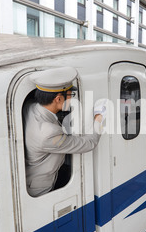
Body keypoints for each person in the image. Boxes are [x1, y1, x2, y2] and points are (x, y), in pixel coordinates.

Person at [23, 67, 106, 197]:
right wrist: (99, 118)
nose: (72, 99)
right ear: (58, 99)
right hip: (41, 188)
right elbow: (90, 143)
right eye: (70, 95)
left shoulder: (31, 107)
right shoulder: (49, 134)